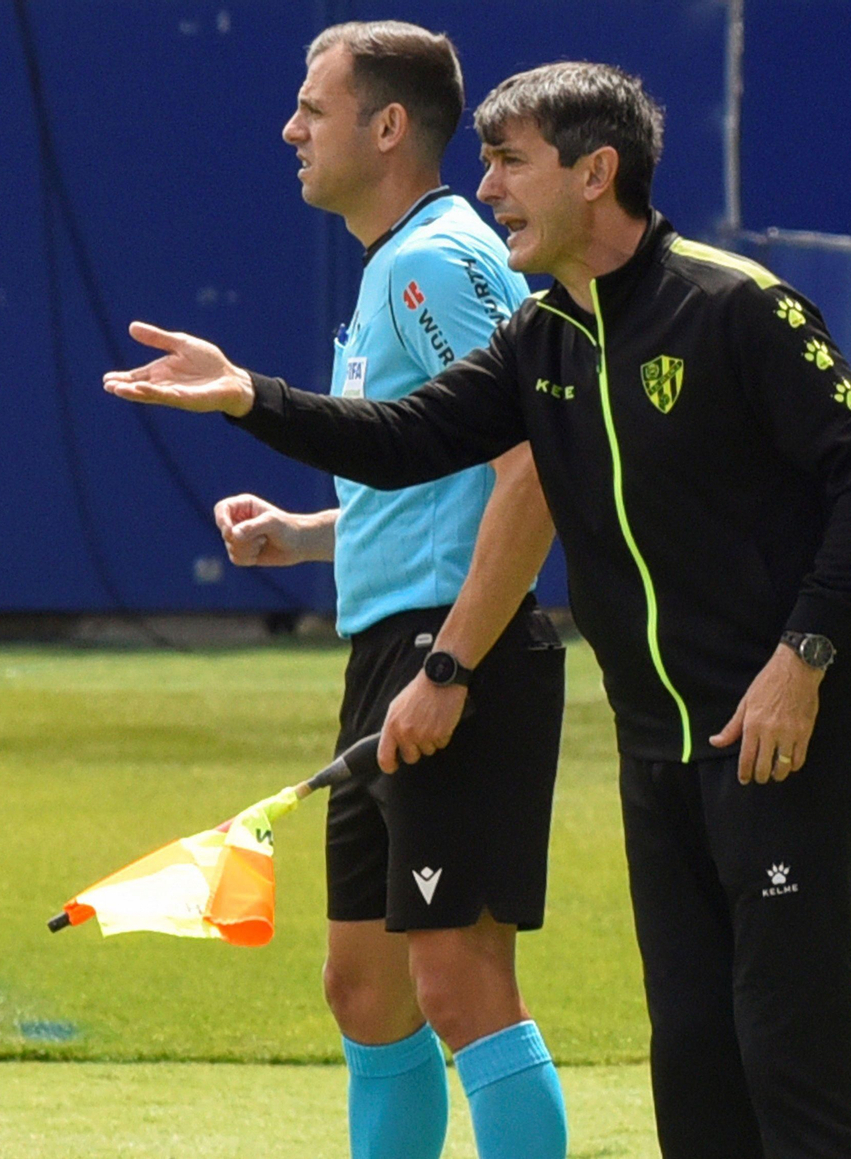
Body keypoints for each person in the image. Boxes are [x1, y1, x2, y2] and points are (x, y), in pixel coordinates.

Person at [104, 60, 851, 1159]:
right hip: (656, 747)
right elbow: (403, 439)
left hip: (777, 733)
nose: (485, 190)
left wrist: (803, 656)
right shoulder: (544, 337)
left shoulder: (733, 305)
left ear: (597, 172)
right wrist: (247, 393)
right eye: (485, 160)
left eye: (508, 163)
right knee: (689, 1042)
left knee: (787, 1032)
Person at [207, 23, 569, 1159]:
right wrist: (312, 534)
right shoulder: (401, 261)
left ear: (387, 127)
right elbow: (445, 465)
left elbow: (534, 458)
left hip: (452, 654)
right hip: (396, 648)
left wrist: (451, 664)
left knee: (457, 983)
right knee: (363, 987)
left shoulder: (429, 263)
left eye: (312, 109)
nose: (291, 130)